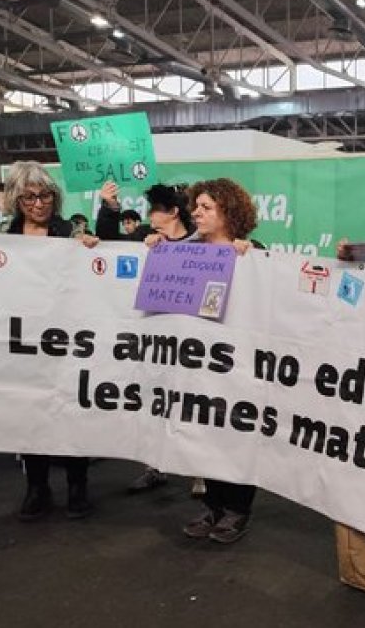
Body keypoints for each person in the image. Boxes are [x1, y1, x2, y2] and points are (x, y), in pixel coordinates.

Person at [0, 161, 100, 521]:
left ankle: (77, 484)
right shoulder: (3, 232)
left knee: (71, 411)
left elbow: (96, 279)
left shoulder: (72, 230)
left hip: (66, 339)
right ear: (15, 200)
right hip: (20, 340)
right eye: (29, 197)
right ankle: (36, 487)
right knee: (29, 413)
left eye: (45, 195)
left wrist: (92, 249)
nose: (39, 203)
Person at [154, 178, 260, 545]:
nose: (195, 212)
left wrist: (251, 260)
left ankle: (237, 510)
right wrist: (152, 248)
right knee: (207, 436)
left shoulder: (253, 252)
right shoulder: (183, 251)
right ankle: (214, 506)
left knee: (237, 436)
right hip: (197, 364)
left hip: (237, 365)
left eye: (205, 207)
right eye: (194, 206)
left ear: (228, 212)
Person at [96, 181, 196, 495]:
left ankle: (200, 473)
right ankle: (154, 466)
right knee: (153, 402)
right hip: (153, 337)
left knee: (193, 404)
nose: (150, 215)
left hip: (191, 339)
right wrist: (109, 207)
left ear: (174, 212)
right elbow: (108, 242)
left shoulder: (200, 243)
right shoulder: (142, 239)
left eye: (155, 209)